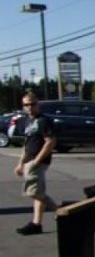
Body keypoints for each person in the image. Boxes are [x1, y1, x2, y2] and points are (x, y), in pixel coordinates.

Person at [14, 91, 57, 235]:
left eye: (32, 104)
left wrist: (36, 161)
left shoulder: (43, 121)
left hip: (38, 162)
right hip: (30, 161)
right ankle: (36, 223)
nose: (29, 107)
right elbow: (27, 145)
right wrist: (21, 163)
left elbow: (50, 142)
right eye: (26, 105)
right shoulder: (28, 121)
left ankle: (62, 211)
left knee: (33, 192)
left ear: (38, 104)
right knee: (37, 192)